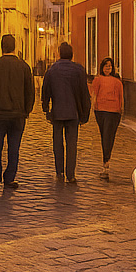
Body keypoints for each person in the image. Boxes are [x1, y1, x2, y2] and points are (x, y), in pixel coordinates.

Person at [0, 33, 36, 196]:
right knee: (14, 147)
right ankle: (9, 177)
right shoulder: (24, 67)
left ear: (1, 46)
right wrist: (26, 110)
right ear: (15, 47)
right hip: (17, 115)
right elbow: (30, 92)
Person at [40, 42, 93, 184]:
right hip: (73, 113)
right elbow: (84, 93)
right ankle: (71, 174)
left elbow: (46, 90)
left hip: (57, 112)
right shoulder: (78, 70)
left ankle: (59, 171)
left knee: (57, 143)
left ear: (59, 53)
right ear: (72, 54)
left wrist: (46, 108)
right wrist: (85, 114)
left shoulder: (52, 70)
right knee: (72, 143)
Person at [91, 58, 125, 178]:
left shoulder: (117, 81)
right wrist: (94, 108)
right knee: (104, 136)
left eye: (110, 66)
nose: (108, 68)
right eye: (106, 66)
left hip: (113, 112)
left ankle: (106, 163)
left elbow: (121, 97)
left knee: (108, 136)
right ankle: (106, 161)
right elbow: (94, 94)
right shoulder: (98, 80)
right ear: (102, 67)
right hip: (100, 111)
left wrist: (121, 111)